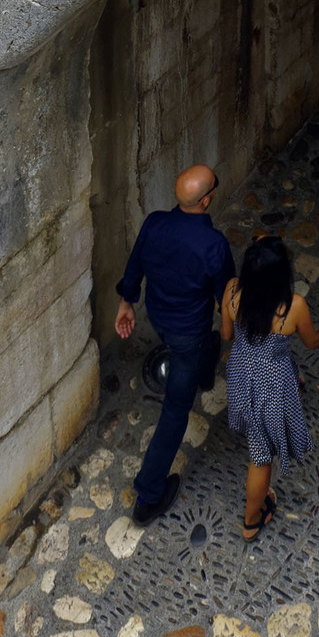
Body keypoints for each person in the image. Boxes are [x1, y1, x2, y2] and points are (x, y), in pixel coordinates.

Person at [115, 164, 235, 527]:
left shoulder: (153, 223)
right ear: (207, 199)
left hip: (160, 320)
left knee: (204, 349)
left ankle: (205, 367)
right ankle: (149, 496)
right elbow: (227, 295)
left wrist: (126, 304)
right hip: (188, 333)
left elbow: (134, 266)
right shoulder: (213, 245)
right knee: (175, 412)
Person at [220, 235, 319, 542]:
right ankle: (251, 520)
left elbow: (227, 334)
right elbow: (312, 343)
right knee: (261, 458)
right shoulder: (293, 306)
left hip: (242, 376)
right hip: (270, 388)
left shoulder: (231, 290)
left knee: (258, 441)